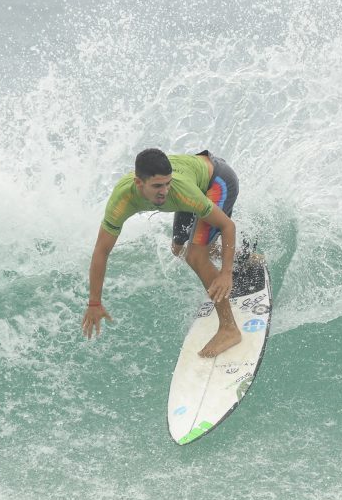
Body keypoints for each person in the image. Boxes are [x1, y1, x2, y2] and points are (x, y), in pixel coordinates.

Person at [82, 148, 241, 357]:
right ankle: (243, 257)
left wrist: (226, 273)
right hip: (194, 181)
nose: (164, 191)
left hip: (217, 181)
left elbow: (227, 226)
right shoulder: (122, 200)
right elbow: (101, 251)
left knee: (196, 255)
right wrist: (95, 302)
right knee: (179, 249)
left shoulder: (179, 190)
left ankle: (229, 328)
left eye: (167, 183)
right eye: (157, 186)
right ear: (139, 183)